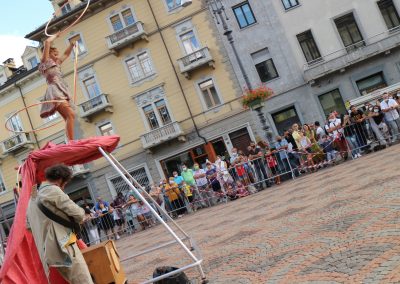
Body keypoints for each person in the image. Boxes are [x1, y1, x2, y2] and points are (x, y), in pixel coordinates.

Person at [27, 165, 93, 284]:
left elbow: (28, 225)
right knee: (84, 281)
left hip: (49, 251)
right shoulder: (53, 189)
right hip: (65, 244)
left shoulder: (33, 195)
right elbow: (77, 213)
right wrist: (84, 215)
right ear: (61, 180)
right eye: (65, 183)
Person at [40, 33, 77, 141]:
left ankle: (69, 140)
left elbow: (66, 54)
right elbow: (47, 42)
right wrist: (56, 35)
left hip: (61, 91)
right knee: (70, 114)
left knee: (68, 117)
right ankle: (71, 141)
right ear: (49, 53)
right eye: (55, 53)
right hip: (55, 92)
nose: (57, 55)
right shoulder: (44, 63)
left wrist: (71, 45)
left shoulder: (57, 63)